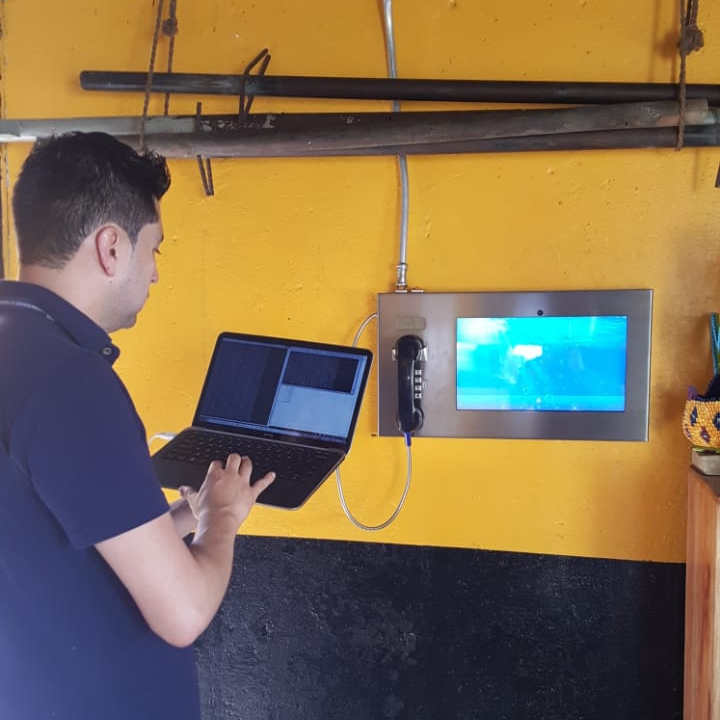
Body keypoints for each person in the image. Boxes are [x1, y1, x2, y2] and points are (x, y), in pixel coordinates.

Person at [0, 131, 275, 720]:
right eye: (154, 250)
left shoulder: (16, 350)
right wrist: (223, 518)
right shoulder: (70, 381)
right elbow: (183, 613)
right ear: (111, 247)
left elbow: (62, 538)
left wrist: (189, 515)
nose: (153, 275)